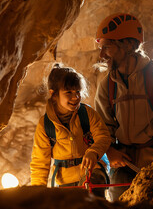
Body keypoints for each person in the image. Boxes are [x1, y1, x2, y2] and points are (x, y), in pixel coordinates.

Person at [94, 13, 153, 201]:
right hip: (123, 166)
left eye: (107, 47)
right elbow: (102, 130)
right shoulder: (107, 86)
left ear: (128, 45)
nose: (102, 55)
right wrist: (110, 151)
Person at [30, 64, 111, 197]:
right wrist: (37, 194)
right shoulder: (45, 125)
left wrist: (93, 152)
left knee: (92, 199)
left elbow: (103, 136)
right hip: (64, 180)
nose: (75, 97)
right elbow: (40, 163)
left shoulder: (86, 113)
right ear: (53, 94)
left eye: (77, 92)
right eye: (68, 92)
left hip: (92, 172)